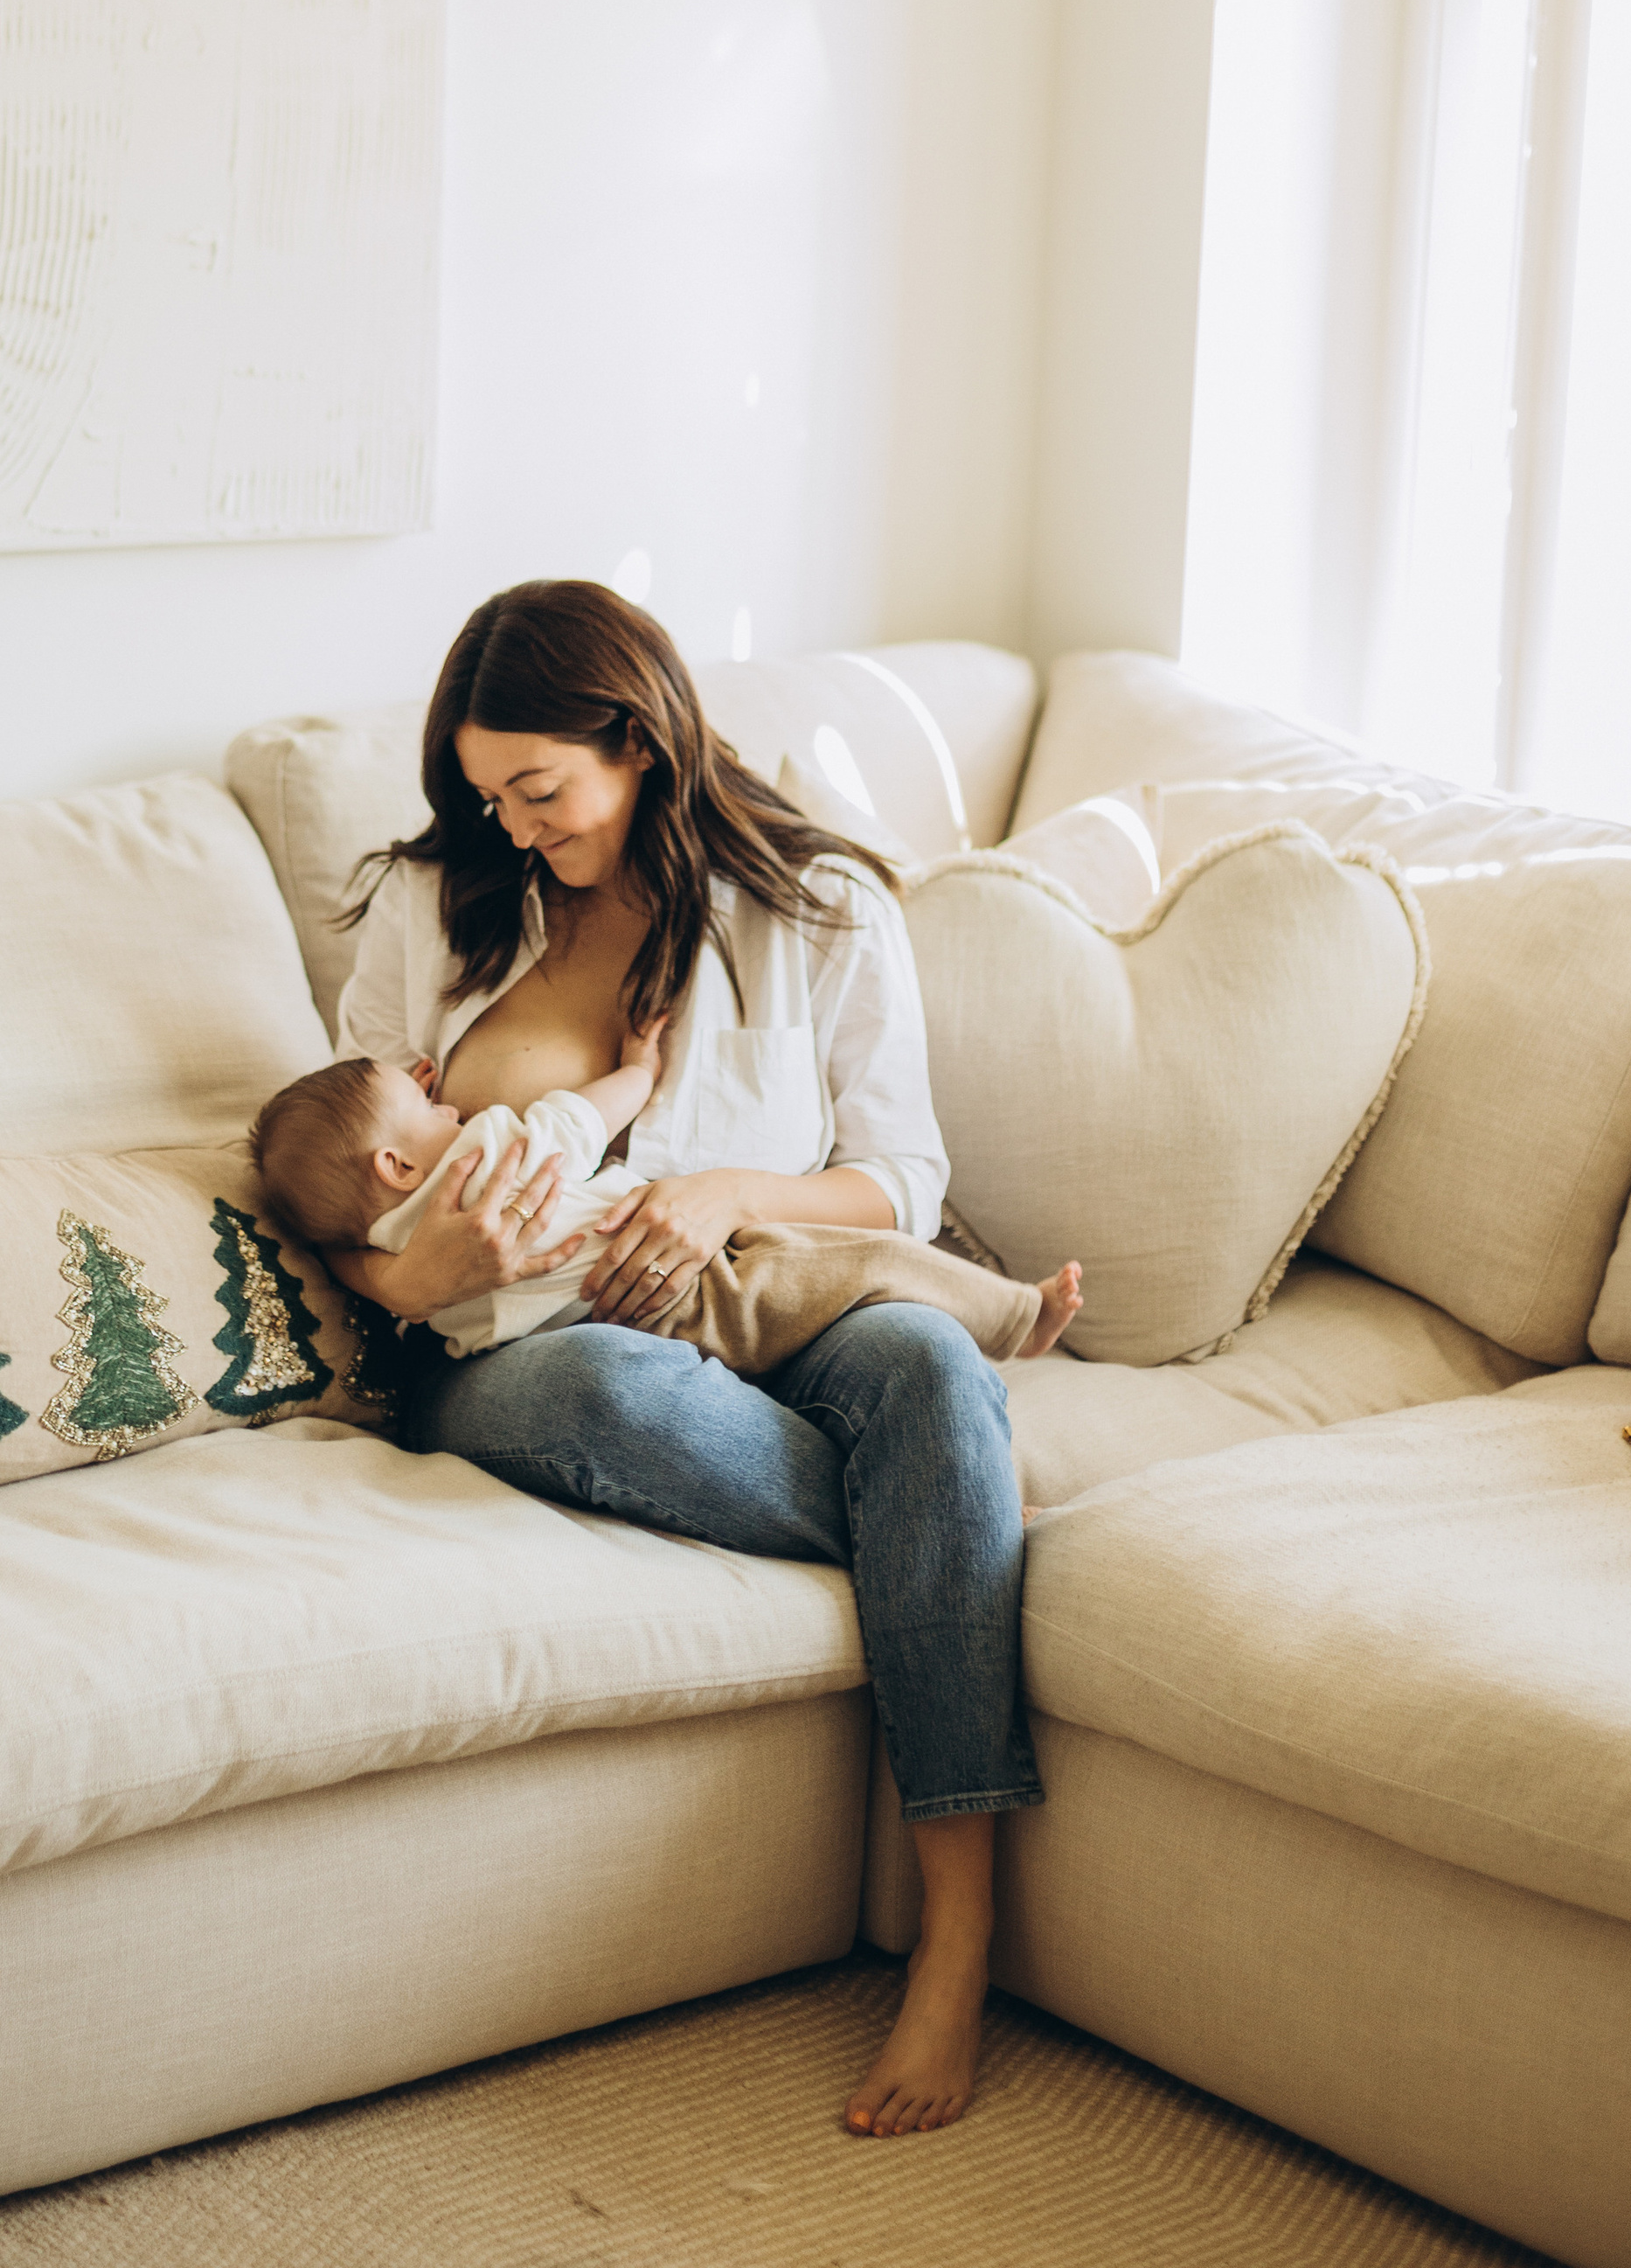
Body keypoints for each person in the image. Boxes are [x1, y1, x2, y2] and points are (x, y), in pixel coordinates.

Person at [330, 578, 1045, 2141]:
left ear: (640, 747)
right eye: (483, 793)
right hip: (537, 1340)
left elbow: (898, 1185)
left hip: (780, 1295)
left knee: (926, 1372)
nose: (512, 826)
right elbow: (339, 1174)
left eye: (541, 790)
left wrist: (725, 1190)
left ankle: (960, 1933)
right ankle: (948, 1539)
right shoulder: (432, 904)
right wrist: (415, 1265)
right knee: (609, 1392)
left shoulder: (824, 906)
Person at [256, 1043, 1085, 1372]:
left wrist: (399, 1282)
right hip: (686, 1294)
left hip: (590, 1334)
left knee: (901, 1354)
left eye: (539, 793)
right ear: (398, 1162)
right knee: (869, 1267)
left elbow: (324, 1207)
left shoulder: (385, 1221)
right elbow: (580, 1115)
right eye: (423, 1101)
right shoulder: (494, 1151)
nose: (447, 1104)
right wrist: (645, 1069)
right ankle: (1018, 1315)